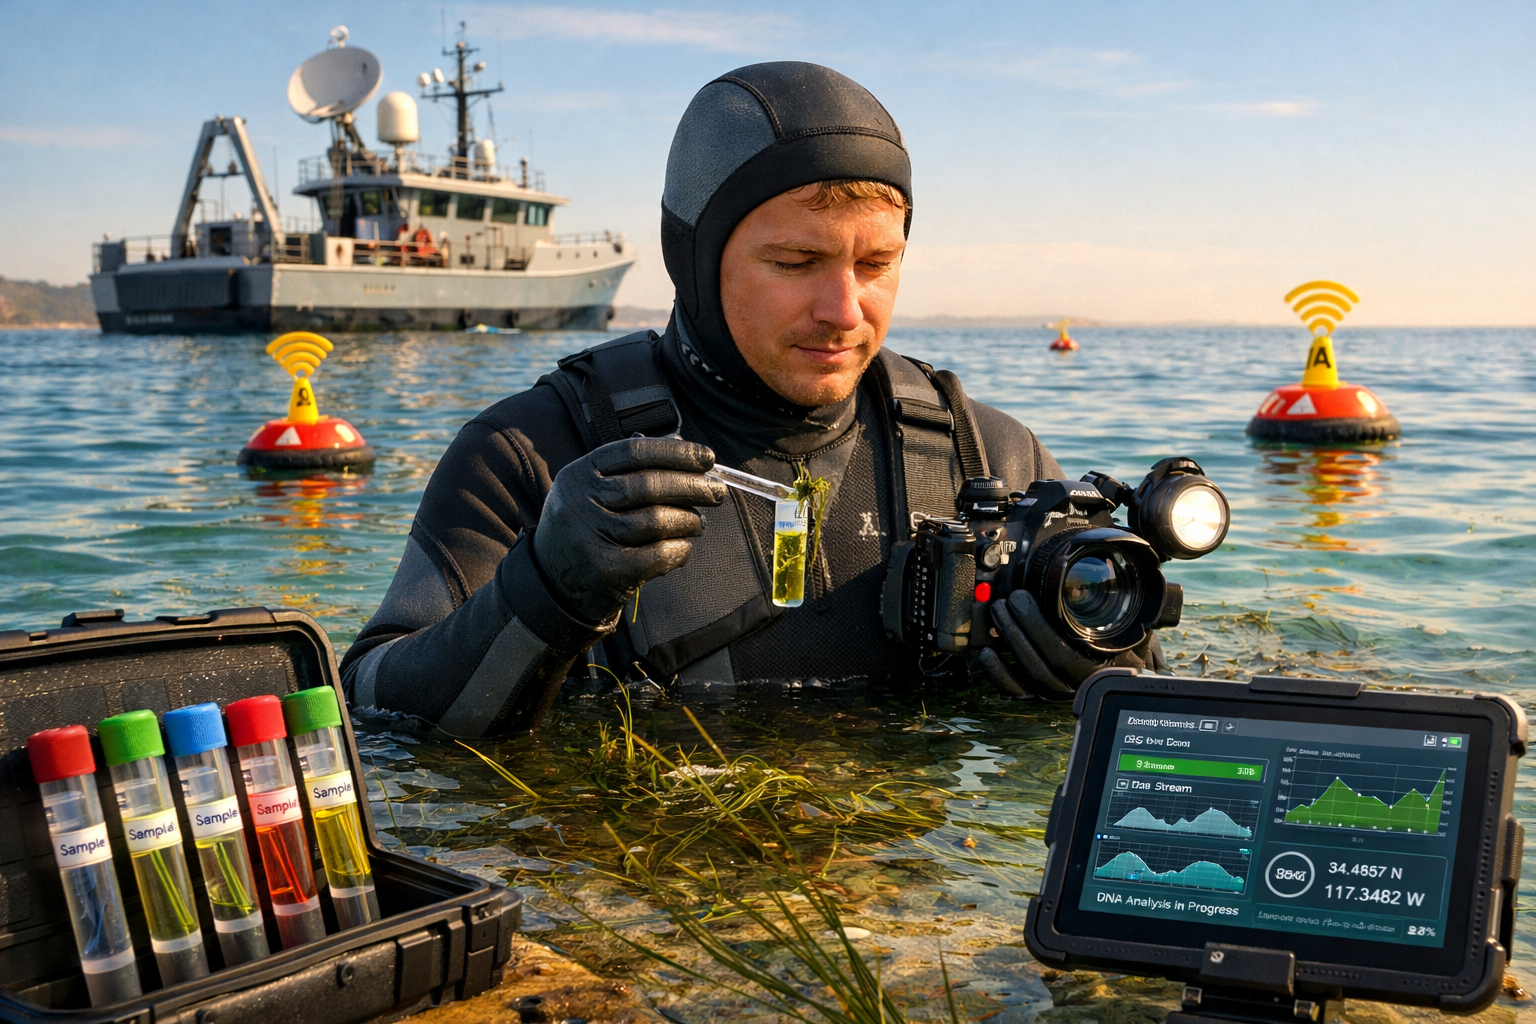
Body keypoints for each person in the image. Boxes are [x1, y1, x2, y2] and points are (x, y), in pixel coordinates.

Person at [339, 61, 1163, 737]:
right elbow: (370, 706)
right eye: (795, 263)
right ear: (695, 258)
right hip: (633, 893)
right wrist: (545, 588)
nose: (845, 311)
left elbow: (1160, 695)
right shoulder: (534, 452)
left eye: (876, 265)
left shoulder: (983, 456)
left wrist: (1101, 677)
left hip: (913, 909)